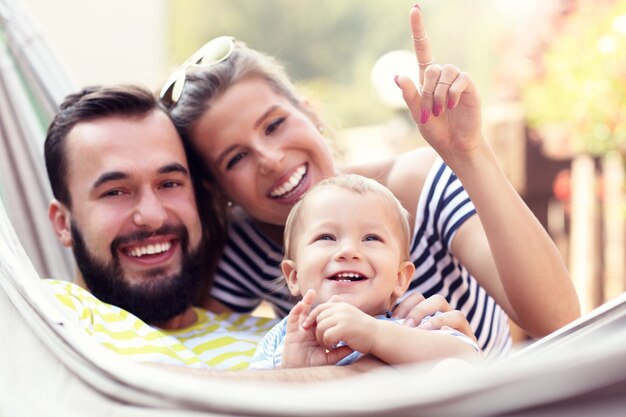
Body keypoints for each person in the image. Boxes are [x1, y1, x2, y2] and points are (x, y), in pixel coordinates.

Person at [162, 4, 580, 358]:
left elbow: (557, 320)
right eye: (236, 158)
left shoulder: (418, 186)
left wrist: (469, 154)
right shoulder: (246, 246)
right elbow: (196, 347)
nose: (270, 159)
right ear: (218, 190)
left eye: (274, 125)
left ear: (311, 115)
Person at [42, 84, 381, 379]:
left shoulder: (282, 337)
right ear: (62, 223)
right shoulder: (51, 314)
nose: (152, 216)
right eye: (115, 191)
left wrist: (406, 336)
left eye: (170, 183)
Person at [252, 174, 480, 369]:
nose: (349, 251)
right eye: (326, 237)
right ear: (294, 276)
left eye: (371, 238)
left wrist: (374, 334)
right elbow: (250, 401)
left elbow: (469, 359)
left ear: (400, 278)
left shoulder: (415, 325)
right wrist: (291, 372)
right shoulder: (281, 339)